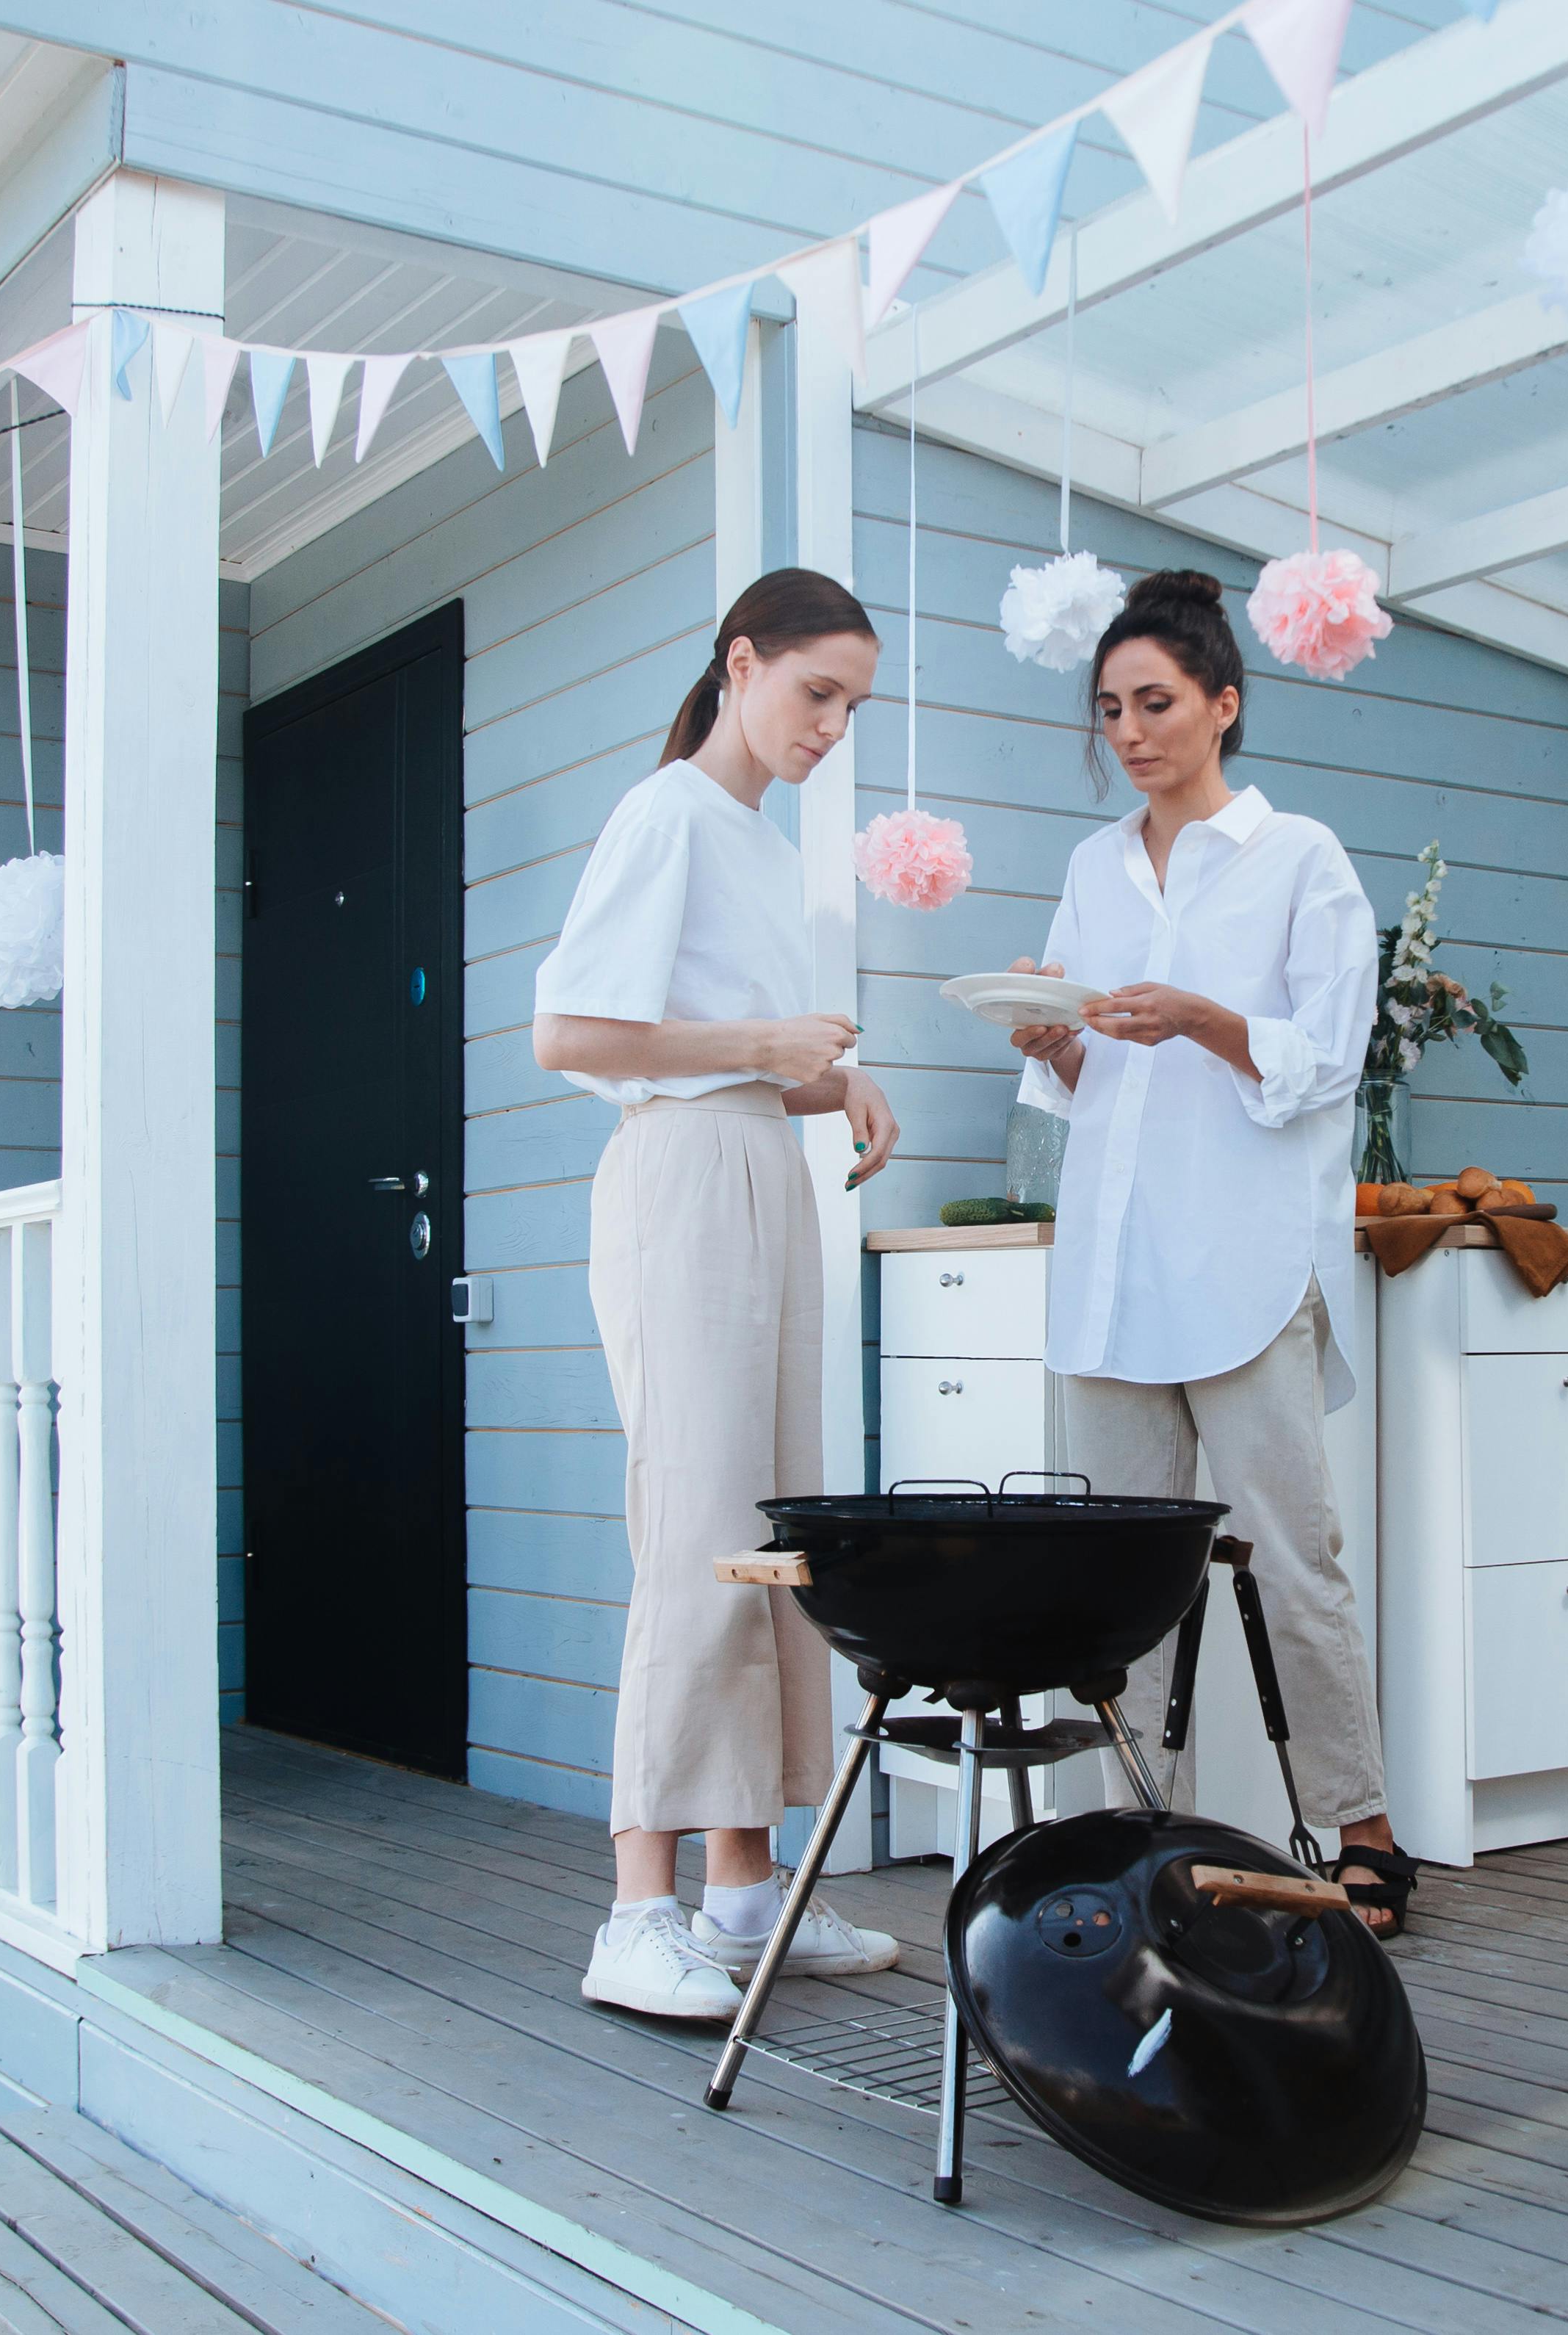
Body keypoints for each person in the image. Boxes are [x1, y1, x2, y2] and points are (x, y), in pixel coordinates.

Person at [1005, 568, 1418, 1936]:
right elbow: (1074, 1070)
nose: (1130, 730)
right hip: (1112, 1277)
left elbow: (1324, 1063)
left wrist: (1205, 1018)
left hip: (1243, 1269)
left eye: (1158, 702)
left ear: (1225, 705)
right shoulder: (1090, 867)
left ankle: (1365, 1827)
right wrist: (1053, 1041)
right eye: (1111, 708)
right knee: (1113, 1583)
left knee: (1296, 1559)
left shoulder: (1304, 861)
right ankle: (1132, 1834)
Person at [531, 568, 911, 2018]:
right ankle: (637, 1909)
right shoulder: (664, 813)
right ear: (739, 663)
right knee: (692, 1532)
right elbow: (569, 1031)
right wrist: (766, 1037)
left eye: (851, 706)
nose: (831, 726)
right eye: (814, 691)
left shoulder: (757, 844)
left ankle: (747, 1894)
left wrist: (841, 1082)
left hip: (762, 1174)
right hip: (677, 1185)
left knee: (776, 1533)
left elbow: (748, 1054)